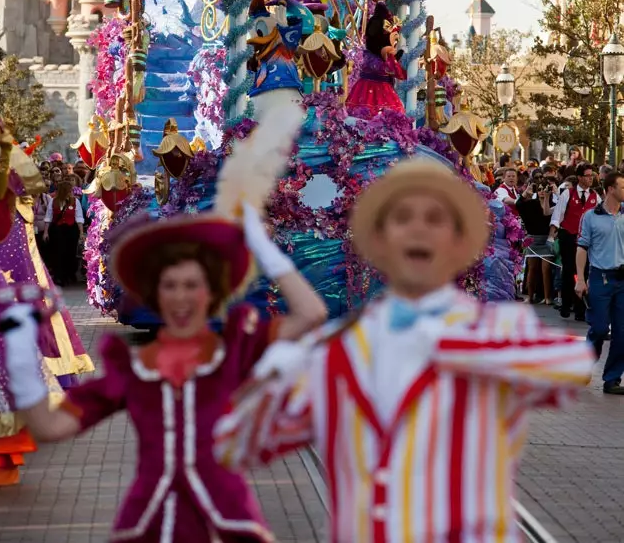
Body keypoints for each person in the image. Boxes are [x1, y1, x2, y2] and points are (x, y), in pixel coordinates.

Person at [214, 159, 593, 543]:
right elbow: (233, 444)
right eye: (402, 218)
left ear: (459, 242)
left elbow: (573, 365)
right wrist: (277, 370)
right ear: (377, 240)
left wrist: (436, 339)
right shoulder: (340, 350)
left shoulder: (499, 329)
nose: (418, 229)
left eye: (434, 219)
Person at [0, 199, 327, 542]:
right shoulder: (133, 370)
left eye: (191, 286)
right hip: (149, 526)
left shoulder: (233, 351)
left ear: (211, 292)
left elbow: (311, 314)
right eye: (169, 286)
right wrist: (22, 357)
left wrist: (262, 249)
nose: (180, 298)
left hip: (228, 523)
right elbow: (49, 426)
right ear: (153, 295)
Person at [576, 171, 624, 394]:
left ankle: (612, 379)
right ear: (611, 189)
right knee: (600, 327)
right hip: (600, 278)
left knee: (622, 332)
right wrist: (580, 279)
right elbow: (582, 248)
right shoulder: (591, 216)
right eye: (622, 187)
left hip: (622, 279)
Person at [549, 162, 599, 320]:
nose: (590, 179)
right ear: (579, 177)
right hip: (568, 236)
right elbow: (558, 215)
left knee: (583, 272)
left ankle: (580, 310)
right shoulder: (567, 194)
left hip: (585, 240)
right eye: (587, 176)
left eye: (592, 175)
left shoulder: (595, 196)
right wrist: (552, 236)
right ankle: (565, 304)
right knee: (569, 270)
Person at [516, 171, 554, 304]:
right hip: (533, 239)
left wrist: (553, 195)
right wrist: (526, 192)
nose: (542, 191)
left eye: (545, 189)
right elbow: (519, 205)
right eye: (540, 189)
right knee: (532, 268)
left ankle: (548, 297)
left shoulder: (553, 204)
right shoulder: (531, 204)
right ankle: (530, 296)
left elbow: (547, 214)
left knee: (546, 269)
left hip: (546, 239)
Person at [45, 179, 84, 286]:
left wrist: (81, 232)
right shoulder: (53, 201)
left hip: (71, 229)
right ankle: (59, 276)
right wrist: (46, 232)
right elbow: (48, 217)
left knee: (70, 252)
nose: (71, 192)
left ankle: (68, 275)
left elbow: (79, 217)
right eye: (69, 190)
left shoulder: (75, 201)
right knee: (58, 253)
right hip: (57, 230)